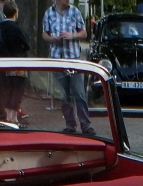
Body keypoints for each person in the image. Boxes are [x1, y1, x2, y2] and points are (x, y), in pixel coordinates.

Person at [42, 0, 94, 135]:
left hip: (73, 59)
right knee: (64, 95)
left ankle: (86, 125)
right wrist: (52, 39)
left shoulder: (75, 11)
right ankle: (70, 124)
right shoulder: (49, 13)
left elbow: (84, 33)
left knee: (79, 93)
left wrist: (72, 35)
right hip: (57, 59)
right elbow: (44, 34)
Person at [0, 0, 30, 123]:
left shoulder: (0, 27)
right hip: (18, 61)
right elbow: (26, 45)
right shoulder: (16, 28)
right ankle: (14, 117)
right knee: (18, 89)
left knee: (8, 89)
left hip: (5, 62)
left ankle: (7, 115)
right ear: (15, 12)